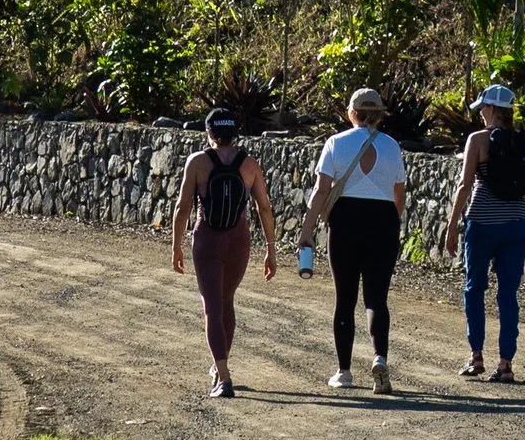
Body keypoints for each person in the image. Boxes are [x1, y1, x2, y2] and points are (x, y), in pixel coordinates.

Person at [297, 88, 409, 393]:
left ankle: (344, 372)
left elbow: (322, 191)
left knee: (344, 298)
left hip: (345, 220)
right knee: (376, 297)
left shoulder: (336, 143)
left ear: (352, 113)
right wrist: (390, 223)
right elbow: (398, 194)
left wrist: (307, 232)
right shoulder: (392, 147)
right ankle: (379, 358)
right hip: (384, 221)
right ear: (379, 115)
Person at [170, 104, 278, 399]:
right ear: (234, 133)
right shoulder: (250, 164)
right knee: (226, 302)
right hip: (239, 239)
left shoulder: (197, 162)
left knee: (211, 307)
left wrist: (176, 245)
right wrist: (270, 248)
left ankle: (223, 376)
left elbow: (183, 207)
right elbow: (263, 208)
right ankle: (220, 368)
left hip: (207, 238)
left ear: (209, 133)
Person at [445, 81, 525, 381]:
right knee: (508, 295)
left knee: (474, 288)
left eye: (483, 108)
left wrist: (452, 224)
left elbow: (465, 185)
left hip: (481, 223)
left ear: (494, 109)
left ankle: (476, 356)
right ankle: (506, 363)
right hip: (515, 225)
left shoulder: (478, 140)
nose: (481, 113)